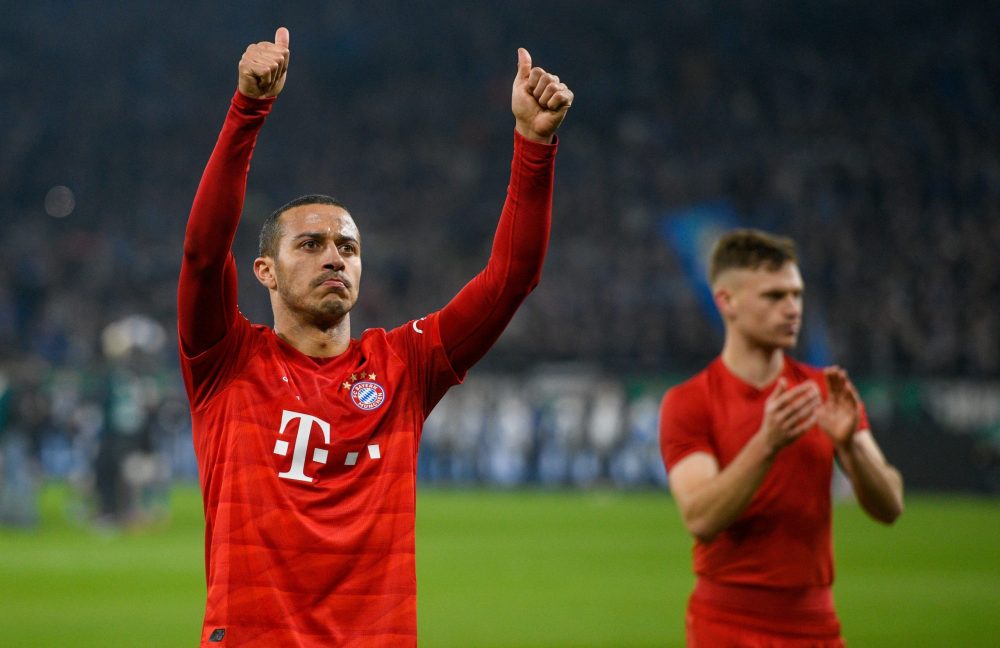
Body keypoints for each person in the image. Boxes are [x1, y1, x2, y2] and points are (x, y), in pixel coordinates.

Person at [178, 27, 572, 647]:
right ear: (265, 272)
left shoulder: (405, 365)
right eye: (309, 245)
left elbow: (511, 280)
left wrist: (534, 144)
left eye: (348, 248)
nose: (334, 258)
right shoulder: (225, 361)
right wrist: (247, 110)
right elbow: (203, 255)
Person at [659, 229, 904, 647]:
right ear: (726, 302)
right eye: (774, 297)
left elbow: (891, 506)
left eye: (797, 294)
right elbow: (700, 518)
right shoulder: (689, 402)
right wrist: (766, 444)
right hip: (726, 620)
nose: (792, 309)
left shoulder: (826, 392)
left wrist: (850, 449)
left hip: (815, 620)